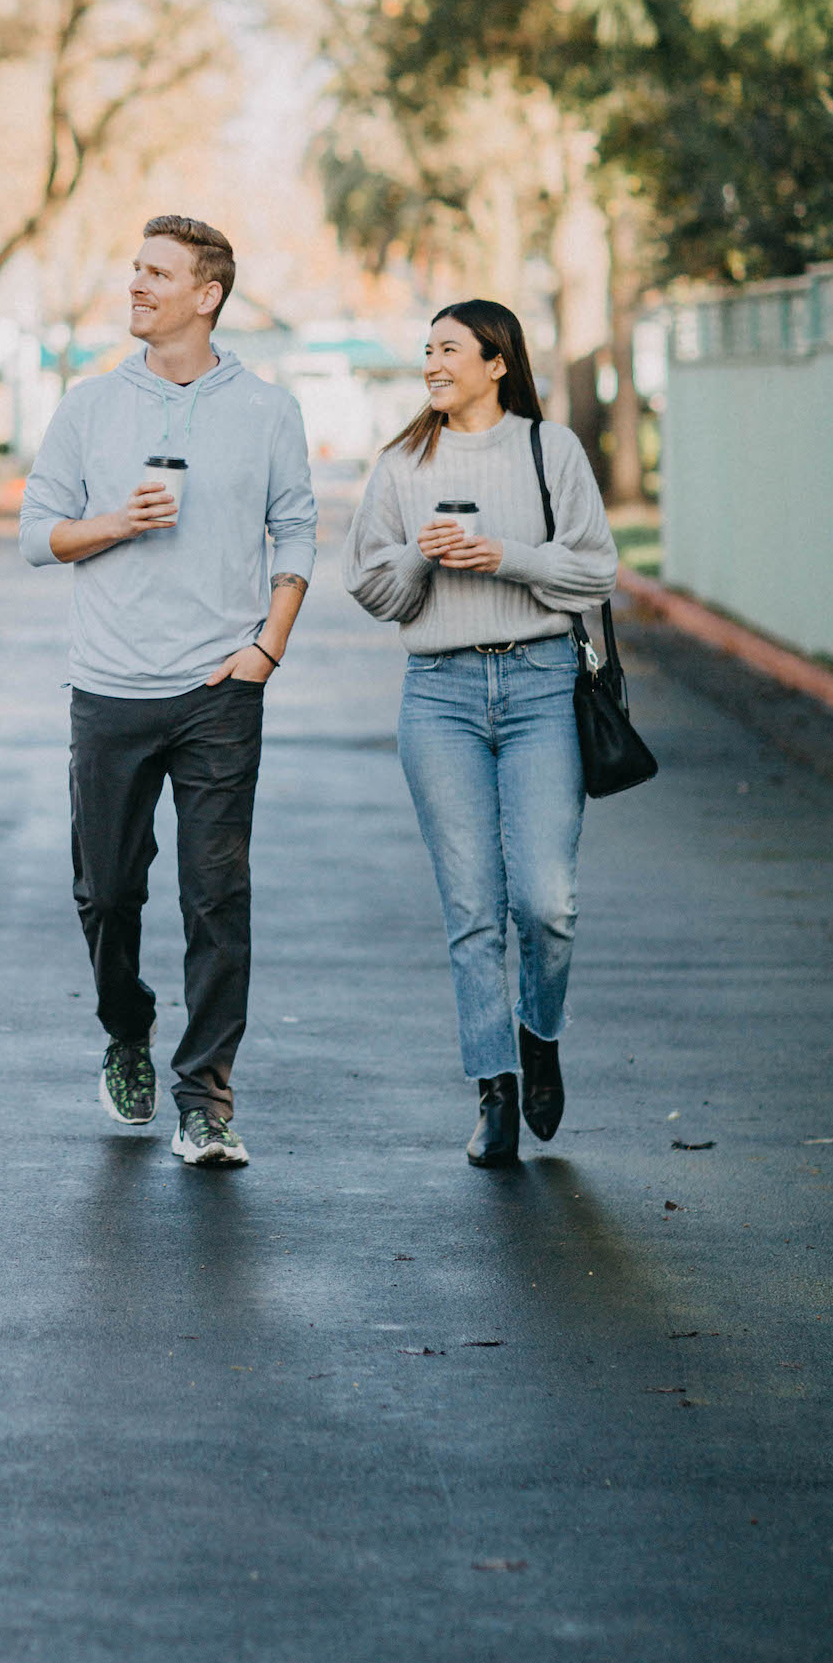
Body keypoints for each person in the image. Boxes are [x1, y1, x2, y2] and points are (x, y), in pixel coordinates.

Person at [19, 215, 317, 1169]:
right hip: (108, 688)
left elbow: (298, 534)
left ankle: (206, 1102)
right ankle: (126, 1027)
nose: (138, 285)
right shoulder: (89, 406)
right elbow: (37, 534)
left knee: (216, 900)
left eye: (158, 273)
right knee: (106, 894)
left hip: (217, 690)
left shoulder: (267, 409)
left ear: (208, 294)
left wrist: (265, 651)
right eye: (135, 269)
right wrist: (113, 521)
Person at [341, 300, 618, 1168]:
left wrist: (504, 555)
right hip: (441, 696)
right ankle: (494, 1086)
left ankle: (540, 1033)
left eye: (449, 349)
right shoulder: (400, 463)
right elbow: (371, 588)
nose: (432, 362)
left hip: (541, 688)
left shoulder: (550, 449)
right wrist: (426, 554)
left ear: (496, 362)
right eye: (426, 348)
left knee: (547, 902)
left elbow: (596, 567)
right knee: (471, 909)